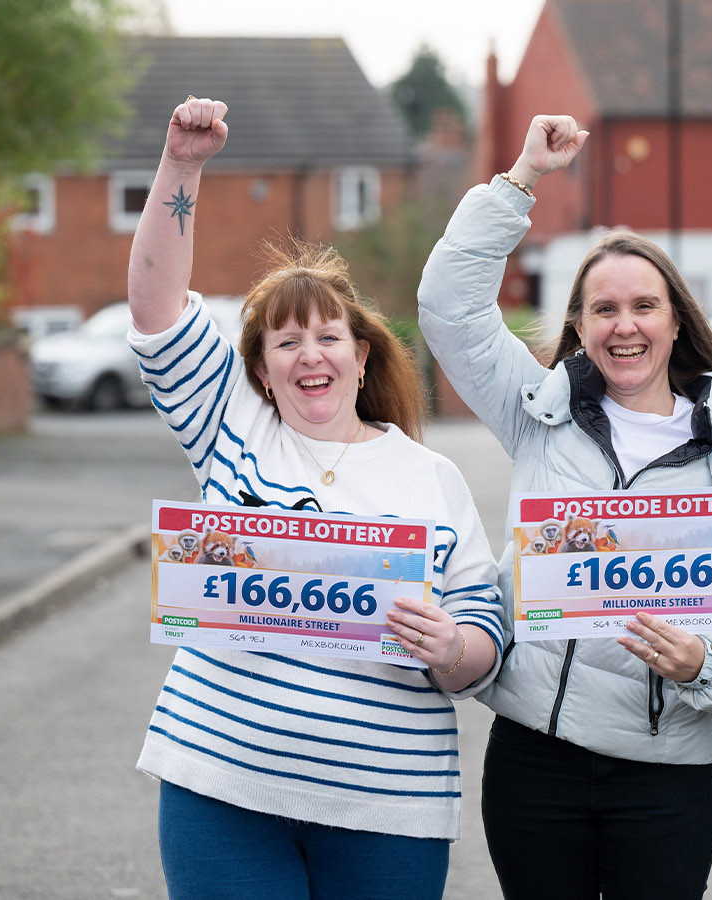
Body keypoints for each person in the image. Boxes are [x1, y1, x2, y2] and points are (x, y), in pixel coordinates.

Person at [126, 97, 505, 900]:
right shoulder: (231, 424)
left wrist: (451, 649)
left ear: (361, 357)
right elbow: (157, 309)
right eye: (287, 340)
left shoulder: (429, 480)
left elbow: (483, 638)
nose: (310, 354)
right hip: (221, 786)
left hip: (389, 809)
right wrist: (182, 165)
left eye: (328, 336)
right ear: (260, 369)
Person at [418, 115, 712, 899]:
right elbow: (449, 310)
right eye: (604, 310)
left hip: (666, 777)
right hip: (534, 760)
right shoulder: (537, 414)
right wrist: (520, 180)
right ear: (579, 327)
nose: (625, 326)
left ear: (676, 319)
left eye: (644, 307)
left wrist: (708, 667)